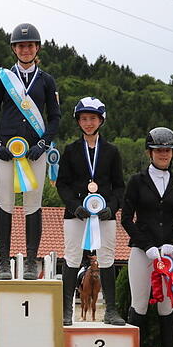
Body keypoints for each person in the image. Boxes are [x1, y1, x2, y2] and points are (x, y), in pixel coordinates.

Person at [0, 23, 62, 280]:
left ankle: (30, 261)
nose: (25, 50)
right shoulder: (3, 79)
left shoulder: (46, 80)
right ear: (14, 49)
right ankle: (3, 262)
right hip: (7, 151)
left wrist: (44, 143)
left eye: (29, 45)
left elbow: (55, 117)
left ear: (37, 48)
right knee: (4, 203)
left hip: (35, 153)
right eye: (20, 46)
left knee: (33, 205)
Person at [121, 127, 173, 347]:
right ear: (150, 152)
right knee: (139, 306)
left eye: (168, 150)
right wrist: (147, 245)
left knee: (167, 307)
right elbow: (126, 219)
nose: (163, 154)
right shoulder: (137, 181)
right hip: (143, 253)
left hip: (170, 254)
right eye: (159, 150)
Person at [56, 97, 125, 326]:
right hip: (76, 214)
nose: (88, 123)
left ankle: (111, 310)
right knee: (72, 257)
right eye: (84, 118)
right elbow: (62, 184)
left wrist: (112, 207)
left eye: (92, 118)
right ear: (78, 121)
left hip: (104, 215)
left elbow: (119, 186)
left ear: (100, 120)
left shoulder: (112, 151)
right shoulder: (70, 150)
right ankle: (66, 310)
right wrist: (73, 206)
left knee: (107, 258)